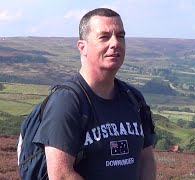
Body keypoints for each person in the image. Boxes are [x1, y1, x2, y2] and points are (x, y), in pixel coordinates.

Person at [33, 8, 156, 180]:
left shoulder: (133, 98)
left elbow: (146, 159)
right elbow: (61, 175)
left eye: (120, 36)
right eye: (104, 37)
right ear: (82, 47)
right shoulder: (67, 102)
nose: (115, 43)